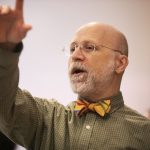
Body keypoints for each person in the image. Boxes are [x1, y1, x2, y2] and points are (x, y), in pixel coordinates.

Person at [0, 0, 150, 149]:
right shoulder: (47, 119)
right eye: (72, 49)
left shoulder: (144, 133)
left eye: (89, 47)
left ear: (120, 63)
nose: (75, 55)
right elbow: (5, 102)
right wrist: (6, 48)